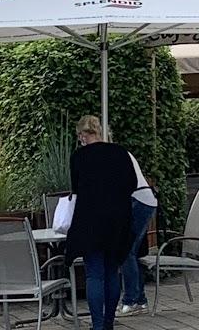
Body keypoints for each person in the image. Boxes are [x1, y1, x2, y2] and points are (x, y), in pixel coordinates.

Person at [66, 116, 135, 330]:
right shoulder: (120, 153)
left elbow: (76, 187)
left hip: (90, 220)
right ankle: (108, 323)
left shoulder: (79, 157)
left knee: (94, 274)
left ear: (83, 135)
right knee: (112, 271)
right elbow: (132, 184)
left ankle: (97, 326)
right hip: (117, 220)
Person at [117, 152, 158, 316]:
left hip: (138, 201)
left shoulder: (115, 156)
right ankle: (139, 300)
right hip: (142, 200)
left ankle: (131, 300)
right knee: (132, 251)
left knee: (127, 251)